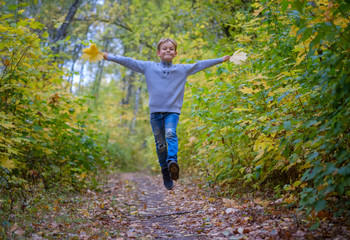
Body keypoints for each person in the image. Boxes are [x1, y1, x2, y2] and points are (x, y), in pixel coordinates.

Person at [103, 38, 230, 190]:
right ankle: (165, 171)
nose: (168, 50)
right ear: (158, 53)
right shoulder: (148, 67)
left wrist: (220, 60)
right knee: (161, 145)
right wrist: (109, 56)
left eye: (171, 49)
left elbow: (200, 64)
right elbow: (129, 61)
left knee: (170, 133)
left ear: (175, 53)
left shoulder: (182, 69)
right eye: (165, 48)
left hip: (172, 111)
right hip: (155, 113)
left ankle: (172, 162)